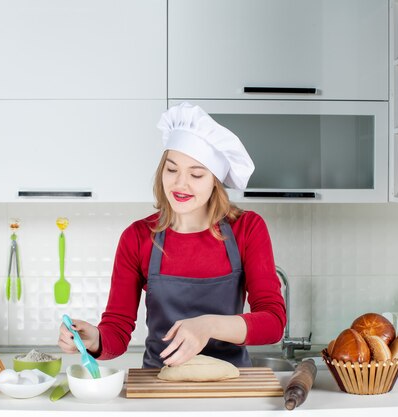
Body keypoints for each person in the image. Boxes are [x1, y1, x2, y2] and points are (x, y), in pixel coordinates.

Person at [58, 102, 286, 368]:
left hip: (229, 383)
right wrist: (94, 339)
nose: (180, 183)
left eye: (196, 174)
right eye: (172, 169)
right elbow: (118, 328)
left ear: (215, 180)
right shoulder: (137, 237)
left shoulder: (247, 229)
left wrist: (207, 325)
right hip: (159, 382)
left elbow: (273, 323)